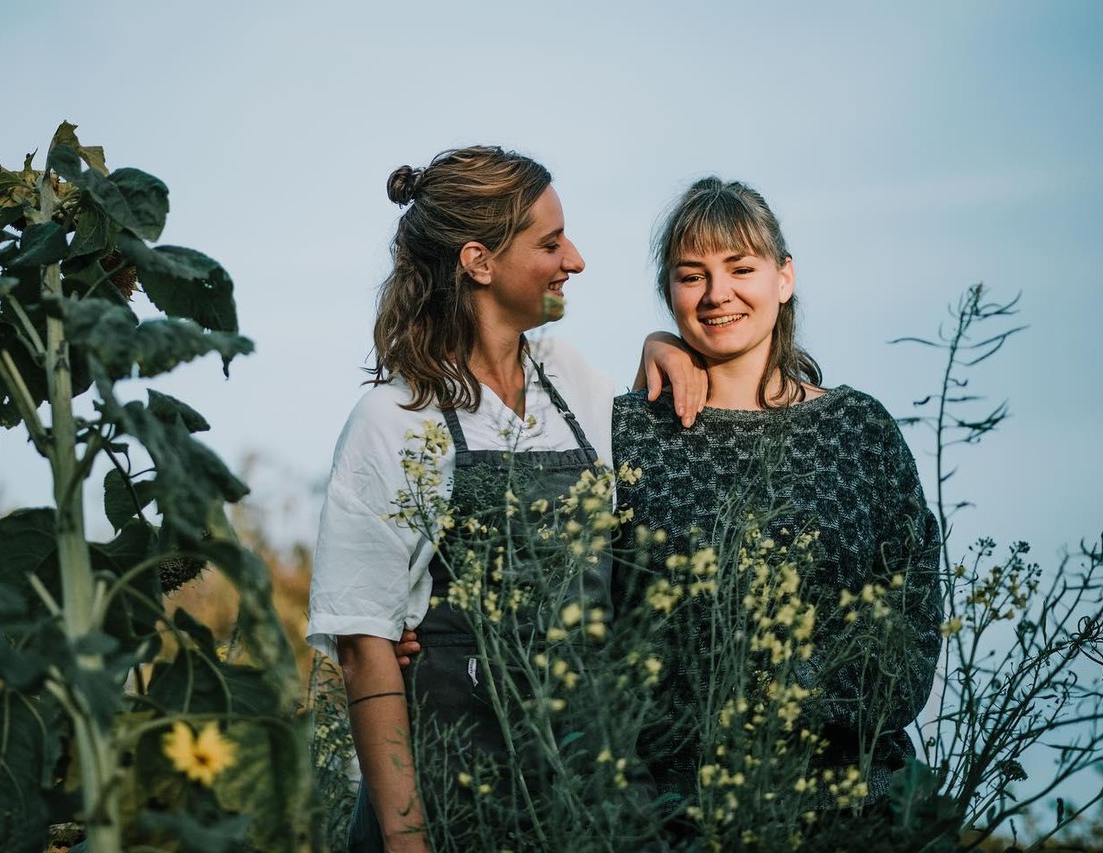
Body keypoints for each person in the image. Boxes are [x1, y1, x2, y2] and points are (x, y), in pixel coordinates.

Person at [307, 146, 700, 852]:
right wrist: (406, 841)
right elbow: (364, 646)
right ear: (479, 261)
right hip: (455, 792)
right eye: (550, 242)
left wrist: (663, 343)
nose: (574, 259)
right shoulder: (394, 420)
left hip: (582, 791)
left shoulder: (573, 380)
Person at [612, 178, 943, 842]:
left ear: (784, 277)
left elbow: (913, 605)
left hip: (855, 802)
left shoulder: (859, 428)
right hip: (681, 814)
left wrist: (799, 699)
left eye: (741, 268)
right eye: (691, 275)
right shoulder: (626, 432)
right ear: (668, 293)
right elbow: (600, 617)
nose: (717, 294)